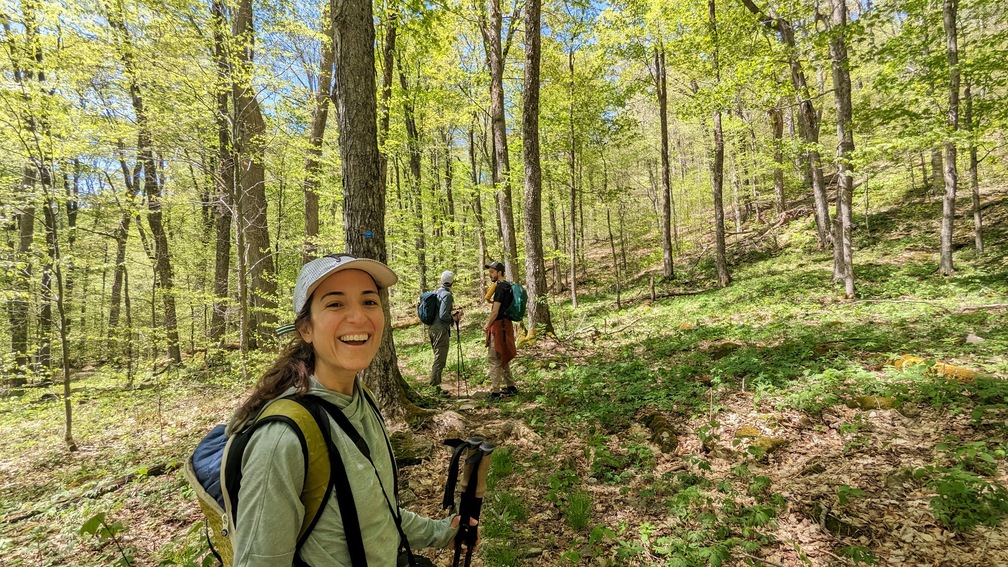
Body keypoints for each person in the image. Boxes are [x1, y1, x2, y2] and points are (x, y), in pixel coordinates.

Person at [227, 253, 473, 566]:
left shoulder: (363, 399)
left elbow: (379, 514)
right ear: (305, 328)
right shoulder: (282, 441)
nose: (358, 317)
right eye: (335, 304)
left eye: (369, 302)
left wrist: (444, 533)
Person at [482, 261, 518, 400]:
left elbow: (495, 312)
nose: (490, 275)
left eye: (492, 272)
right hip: (506, 325)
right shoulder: (508, 286)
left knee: (494, 358)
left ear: (499, 273)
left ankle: (495, 393)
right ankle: (511, 386)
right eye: (489, 272)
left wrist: (487, 325)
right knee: (503, 356)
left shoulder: (500, 288)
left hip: (498, 327)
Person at [429, 270, 461, 387]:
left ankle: (436, 385)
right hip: (440, 330)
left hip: (432, 328)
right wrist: (454, 319)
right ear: (452, 282)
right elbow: (443, 315)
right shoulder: (447, 295)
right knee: (440, 360)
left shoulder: (436, 292)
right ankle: (435, 387)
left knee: (438, 358)